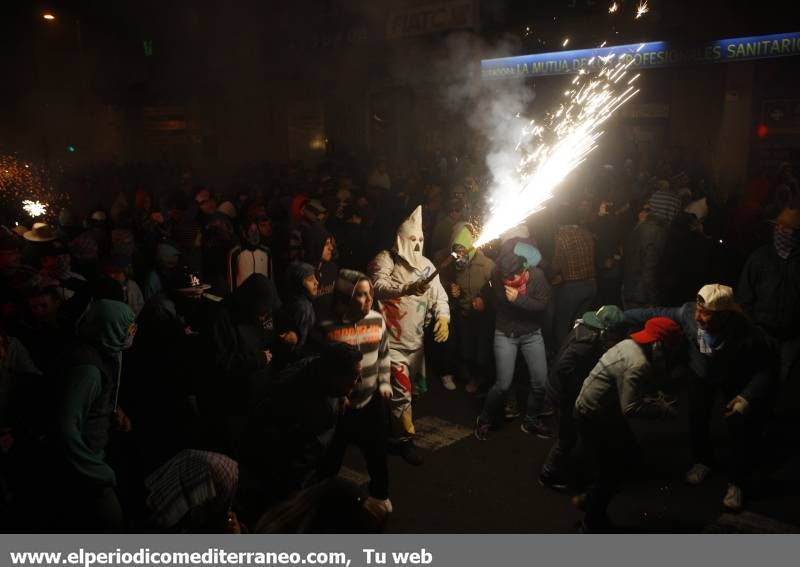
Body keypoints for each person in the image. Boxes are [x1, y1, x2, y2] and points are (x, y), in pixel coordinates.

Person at [624, 284, 776, 511]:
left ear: (724, 315)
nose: (698, 317)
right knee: (697, 417)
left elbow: (768, 367)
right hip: (700, 374)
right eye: (698, 309)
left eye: (706, 313)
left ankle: (737, 482)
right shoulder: (688, 314)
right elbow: (654, 313)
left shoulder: (746, 332)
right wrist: (618, 315)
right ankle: (703, 461)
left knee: (738, 427)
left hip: (733, 377)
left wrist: (746, 397)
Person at [574, 316, 682, 531]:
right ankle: (590, 523)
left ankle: (591, 499)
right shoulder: (638, 363)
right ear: (660, 345)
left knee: (630, 457)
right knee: (609, 472)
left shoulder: (631, 345)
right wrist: (662, 409)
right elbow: (630, 408)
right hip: (593, 415)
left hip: (605, 410)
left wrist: (654, 395)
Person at [236, 343, 363, 524]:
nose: (360, 381)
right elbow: (277, 450)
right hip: (281, 474)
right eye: (355, 376)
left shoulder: (322, 370)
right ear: (335, 376)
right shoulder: (293, 398)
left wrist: (342, 394)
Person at [368, 206, 449, 465]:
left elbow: (440, 296)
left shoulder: (426, 265)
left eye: (421, 240)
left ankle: (392, 433)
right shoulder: (385, 260)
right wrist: (407, 288)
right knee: (401, 396)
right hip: (392, 345)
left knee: (409, 395)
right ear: (401, 239)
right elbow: (378, 287)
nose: (417, 246)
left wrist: (444, 317)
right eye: (412, 240)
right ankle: (405, 441)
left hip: (417, 345)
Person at [51, 299, 137, 531]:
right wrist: (96, 471)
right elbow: (65, 427)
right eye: (127, 329)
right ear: (108, 328)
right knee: (110, 522)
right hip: (85, 464)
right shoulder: (88, 371)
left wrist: (112, 410)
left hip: (95, 453)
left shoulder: (101, 351)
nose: (131, 334)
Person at [318, 270, 392, 510]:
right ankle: (318, 502)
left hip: (370, 403)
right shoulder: (328, 327)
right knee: (330, 457)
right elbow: (320, 367)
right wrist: (335, 396)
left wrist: (383, 383)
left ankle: (380, 497)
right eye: (360, 295)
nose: (368, 299)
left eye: (369, 293)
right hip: (341, 407)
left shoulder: (377, 320)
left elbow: (384, 355)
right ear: (344, 298)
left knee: (378, 453)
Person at [539, 305, 626, 490]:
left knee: (570, 433)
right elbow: (564, 367)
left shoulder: (583, 327)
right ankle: (548, 473)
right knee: (566, 437)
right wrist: (577, 384)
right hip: (562, 394)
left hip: (558, 389)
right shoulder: (588, 340)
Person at [475, 240, 551, 441]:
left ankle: (532, 420)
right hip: (505, 334)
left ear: (524, 270)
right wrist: (482, 299)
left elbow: (543, 304)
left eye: (513, 278)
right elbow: (489, 292)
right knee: (502, 384)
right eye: (505, 279)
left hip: (531, 334)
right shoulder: (498, 278)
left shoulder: (537, 277)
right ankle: (484, 419)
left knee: (540, 382)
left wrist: (519, 299)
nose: (508, 282)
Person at [737, 207, 800, 387]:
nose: (780, 230)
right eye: (778, 226)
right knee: (759, 374)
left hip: (792, 335)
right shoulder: (760, 257)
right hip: (762, 331)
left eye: (786, 228)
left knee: (783, 375)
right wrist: (751, 326)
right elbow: (745, 295)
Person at [439, 222, 494, 393]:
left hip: (482, 316)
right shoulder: (454, 265)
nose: (459, 254)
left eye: (462, 250)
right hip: (463, 314)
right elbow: (442, 282)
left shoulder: (487, 264)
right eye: (456, 250)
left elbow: (497, 289)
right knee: (466, 349)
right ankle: (471, 375)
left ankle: (480, 379)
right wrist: (452, 289)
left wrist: (484, 300)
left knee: (481, 351)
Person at [551, 207, 597, 346]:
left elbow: (557, 263)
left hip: (573, 288)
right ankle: (577, 355)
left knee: (563, 325)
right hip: (591, 284)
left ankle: (562, 357)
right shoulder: (586, 233)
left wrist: (548, 275)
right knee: (579, 326)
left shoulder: (561, 236)